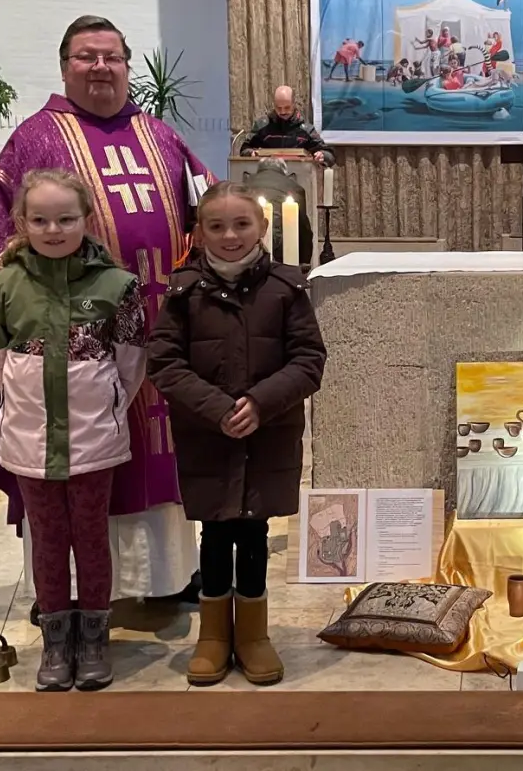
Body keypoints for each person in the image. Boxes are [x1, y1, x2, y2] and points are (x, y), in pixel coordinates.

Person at [0, 15, 208, 615]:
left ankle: (166, 576)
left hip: (156, 334)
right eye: (85, 57)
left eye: (111, 57)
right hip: (67, 356)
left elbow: (209, 218)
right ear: (64, 66)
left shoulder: (162, 136)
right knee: (66, 468)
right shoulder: (35, 140)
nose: (100, 67)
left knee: (161, 444)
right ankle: (64, 592)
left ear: (128, 64)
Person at [148, 180, 326, 686]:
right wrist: (218, 408)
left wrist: (260, 403)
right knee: (214, 531)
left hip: (266, 436)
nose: (230, 235)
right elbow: (164, 362)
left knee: (253, 529)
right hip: (208, 435)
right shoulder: (183, 292)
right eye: (217, 225)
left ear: (262, 227)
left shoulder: (286, 290)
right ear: (199, 232)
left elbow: (309, 360)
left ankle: (252, 635)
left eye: (241, 224)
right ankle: (212, 636)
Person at [0, 171, 147, 692]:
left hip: (93, 437)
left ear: (87, 219)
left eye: (67, 218)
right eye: (41, 219)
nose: (54, 229)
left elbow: (131, 364)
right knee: (48, 540)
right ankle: (56, 640)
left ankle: (94, 636)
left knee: (91, 537)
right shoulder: (6, 286)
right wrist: (30, 400)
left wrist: (101, 404)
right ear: (22, 222)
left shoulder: (117, 285)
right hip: (30, 439)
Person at [239, 158, 315, 265]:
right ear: (284, 171)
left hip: (250, 243)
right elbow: (303, 228)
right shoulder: (295, 187)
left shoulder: (244, 186)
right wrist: (304, 262)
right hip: (283, 246)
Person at [237, 86, 334, 166]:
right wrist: (251, 154)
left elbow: (329, 155)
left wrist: (322, 155)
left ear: (294, 104)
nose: (283, 112)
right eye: (278, 108)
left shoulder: (306, 130)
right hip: (267, 178)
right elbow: (244, 149)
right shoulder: (262, 126)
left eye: (287, 107)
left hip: (298, 179)